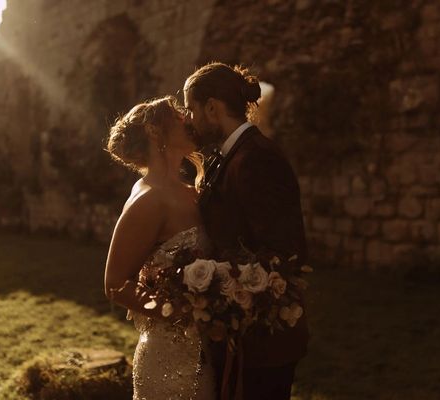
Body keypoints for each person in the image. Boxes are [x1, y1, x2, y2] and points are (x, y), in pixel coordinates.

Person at [184, 62, 309, 400]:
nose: (188, 120)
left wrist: (214, 283)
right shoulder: (226, 156)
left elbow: (282, 251)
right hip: (236, 336)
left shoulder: (257, 158)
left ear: (211, 108)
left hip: (263, 342)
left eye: (190, 110)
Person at [104, 96, 217, 400]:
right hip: (169, 360)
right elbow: (115, 284)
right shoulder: (149, 199)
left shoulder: (192, 191)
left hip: (208, 351)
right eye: (179, 114)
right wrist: (175, 310)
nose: (188, 118)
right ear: (156, 131)